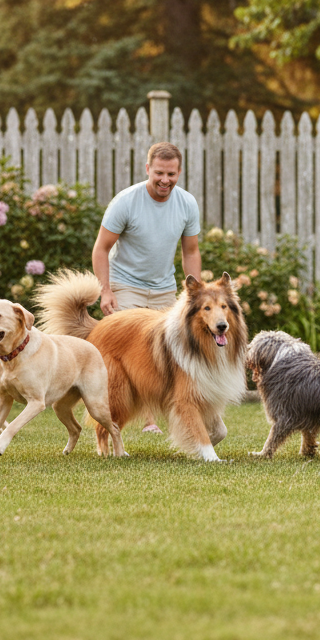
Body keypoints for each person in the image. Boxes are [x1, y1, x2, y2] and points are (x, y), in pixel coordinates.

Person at [92, 141, 201, 433]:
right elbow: (101, 249)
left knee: (164, 354)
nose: (165, 180)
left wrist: (197, 294)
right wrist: (105, 290)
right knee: (131, 354)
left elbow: (190, 252)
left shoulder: (187, 203)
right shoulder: (126, 201)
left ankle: (165, 413)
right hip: (126, 284)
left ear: (179, 172)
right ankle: (145, 420)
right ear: (148, 170)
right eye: (159, 173)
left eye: (171, 174)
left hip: (164, 287)